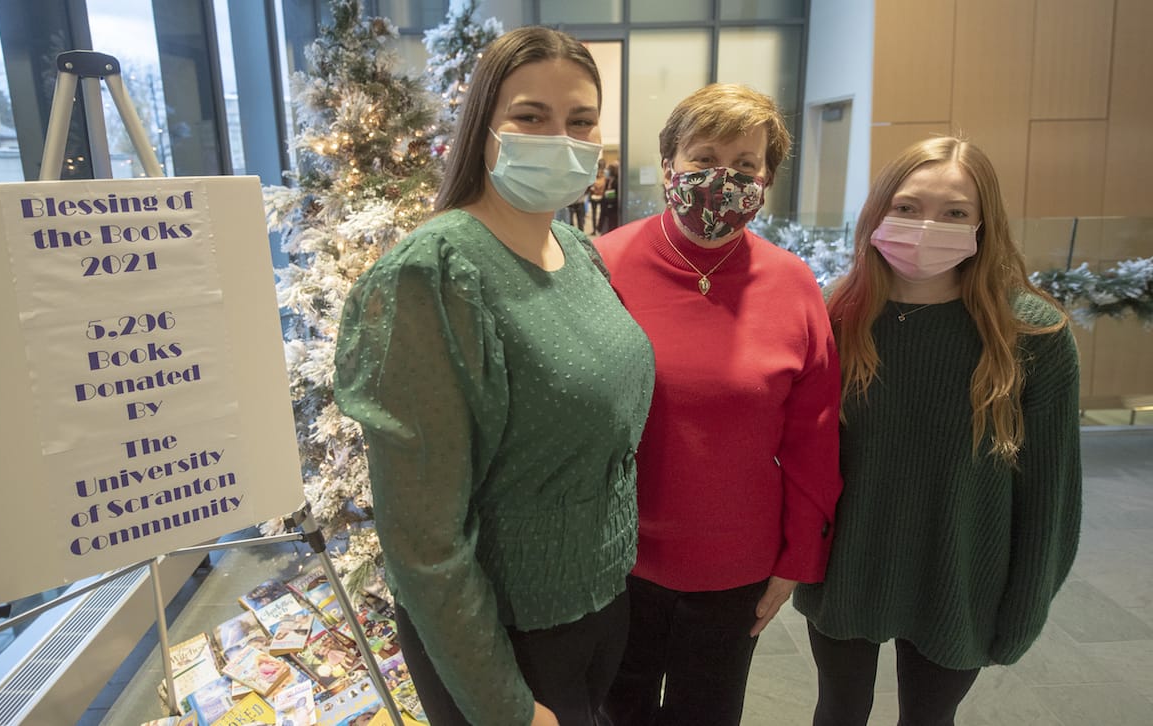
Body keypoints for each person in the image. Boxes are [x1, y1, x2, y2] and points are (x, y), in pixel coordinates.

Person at [334, 26, 655, 726]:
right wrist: (508, 709)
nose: (558, 138)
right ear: (483, 127)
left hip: (596, 609)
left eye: (580, 121)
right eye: (530, 117)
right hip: (507, 643)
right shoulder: (434, 277)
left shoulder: (574, 248)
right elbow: (425, 543)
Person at [793, 136, 1082, 726]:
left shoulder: (1033, 336)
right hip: (850, 566)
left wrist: (1026, 606)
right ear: (877, 214)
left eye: (955, 213)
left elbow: (1051, 495)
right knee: (838, 710)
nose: (928, 227)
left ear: (983, 224)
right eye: (907, 208)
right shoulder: (835, 317)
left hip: (961, 574)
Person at [595, 83, 843, 725]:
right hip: (616, 560)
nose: (720, 179)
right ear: (669, 162)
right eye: (703, 158)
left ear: (767, 178)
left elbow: (813, 436)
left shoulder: (791, 284)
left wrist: (797, 560)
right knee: (614, 711)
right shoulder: (601, 265)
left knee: (707, 714)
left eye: (743, 165)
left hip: (735, 568)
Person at [597, 162, 620, 234]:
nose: (605, 171)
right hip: (605, 211)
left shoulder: (617, 182)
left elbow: (617, 197)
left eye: (607, 170)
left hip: (613, 212)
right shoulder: (607, 182)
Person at [588, 159, 606, 234]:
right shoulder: (605, 174)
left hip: (594, 195)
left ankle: (595, 229)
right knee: (601, 214)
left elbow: (591, 184)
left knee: (594, 214)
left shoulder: (594, 173)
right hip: (601, 196)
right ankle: (600, 229)